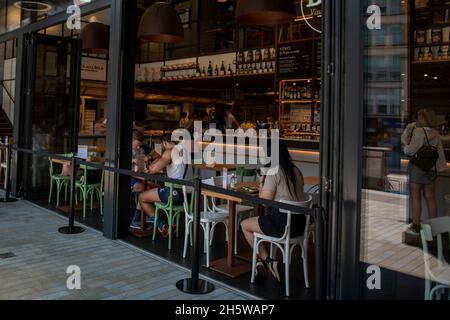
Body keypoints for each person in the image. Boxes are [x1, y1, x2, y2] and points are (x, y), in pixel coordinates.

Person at [240, 141, 308, 282]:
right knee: (261, 221)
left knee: (244, 225)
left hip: (282, 225)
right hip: (300, 225)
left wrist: (261, 182)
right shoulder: (296, 170)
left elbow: (264, 201)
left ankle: (267, 260)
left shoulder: (273, 171)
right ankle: (262, 261)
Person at [402, 108, 447, 234]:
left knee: (416, 197)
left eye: (419, 117)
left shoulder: (418, 132)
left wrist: (410, 128)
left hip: (417, 169)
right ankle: (435, 226)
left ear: (422, 119)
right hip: (431, 168)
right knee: (431, 198)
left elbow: (409, 150)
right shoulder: (436, 133)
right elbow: (439, 153)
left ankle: (416, 224)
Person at [131, 134, 187, 236]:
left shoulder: (170, 151)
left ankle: (161, 225)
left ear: (165, 143)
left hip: (174, 194)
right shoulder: (184, 150)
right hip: (188, 196)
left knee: (142, 197)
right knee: (156, 189)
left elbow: (154, 169)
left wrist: (150, 166)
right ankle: (164, 223)